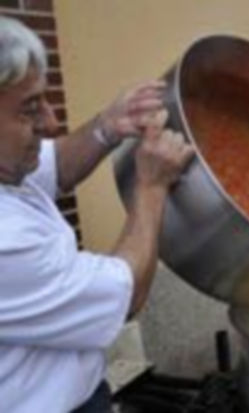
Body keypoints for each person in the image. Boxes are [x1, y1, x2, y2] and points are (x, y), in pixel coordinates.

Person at [0, 16, 194, 413]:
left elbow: (56, 165)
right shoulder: (6, 244)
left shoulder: (9, 167)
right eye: (30, 109)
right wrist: (151, 187)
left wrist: (107, 127)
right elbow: (125, 295)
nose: (51, 122)